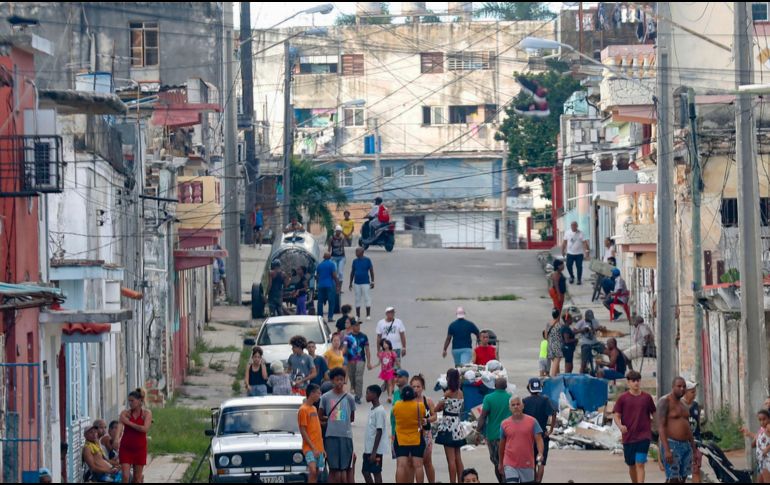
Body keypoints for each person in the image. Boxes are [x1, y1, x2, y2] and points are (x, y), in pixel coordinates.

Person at [613, 370, 657, 484]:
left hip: (644, 436)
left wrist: (656, 426)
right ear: (628, 383)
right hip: (628, 437)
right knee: (631, 465)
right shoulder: (622, 398)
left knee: (640, 463)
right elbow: (616, 415)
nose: (636, 383)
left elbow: (654, 413)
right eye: (633, 381)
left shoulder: (647, 398)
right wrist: (620, 426)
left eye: (638, 380)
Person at [319, 367, 356, 483]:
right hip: (331, 437)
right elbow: (320, 416)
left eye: (341, 379)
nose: (339, 382)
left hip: (346, 437)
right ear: (332, 381)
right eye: (336, 380)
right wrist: (330, 420)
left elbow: (352, 418)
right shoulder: (325, 397)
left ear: (344, 380)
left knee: (344, 468)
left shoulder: (349, 398)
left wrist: (338, 420)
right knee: (333, 469)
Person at [498, 395, 545, 484]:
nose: (516, 407)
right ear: (510, 408)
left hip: (527, 463)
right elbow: (502, 445)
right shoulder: (504, 424)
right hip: (509, 463)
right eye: (513, 405)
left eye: (518, 404)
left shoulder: (532, 421)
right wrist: (500, 463)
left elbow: (539, 439)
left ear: (522, 406)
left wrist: (540, 453)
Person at [658, 377, 696, 484]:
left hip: (686, 446)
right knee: (673, 478)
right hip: (672, 444)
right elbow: (661, 426)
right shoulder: (665, 401)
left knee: (683, 477)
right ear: (673, 387)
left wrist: (693, 448)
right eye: (679, 386)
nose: (682, 389)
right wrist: (666, 450)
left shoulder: (684, 404)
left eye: (684, 386)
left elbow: (688, 428)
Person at [476, 377, 512, 483]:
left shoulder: (488, 398)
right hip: (508, 436)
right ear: (506, 386)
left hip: (493, 436)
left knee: (497, 463)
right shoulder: (511, 398)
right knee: (507, 463)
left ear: (494, 386)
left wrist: (477, 432)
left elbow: (483, 416)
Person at [523, 378, 557, 483]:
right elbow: (554, 413)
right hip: (542, 435)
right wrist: (550, 429)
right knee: (541, 462)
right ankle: (539, 481)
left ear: (529, 388)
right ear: (540, 388)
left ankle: (533, 480)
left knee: (532, 461)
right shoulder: (545, 400)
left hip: (529, 436)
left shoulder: (524, 401)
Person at [435, 368, 465, 483]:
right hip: (457, 425)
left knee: (450, 459)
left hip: (448, 426)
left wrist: (443, 404)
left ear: (448, 378)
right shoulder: (461, 393)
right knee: (458, 457)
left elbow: (437, 408)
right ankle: (461, 480)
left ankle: (452, 481)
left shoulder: (447, 393)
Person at [392, 385, 426, 483]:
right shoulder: (419, 406)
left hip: (400, 439)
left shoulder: (397, 405)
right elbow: (423, 416)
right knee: (418, 466)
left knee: (401, 466)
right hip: (416, 438)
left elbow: (394, 414)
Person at [119, 388, 152, 484]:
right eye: (129, 401)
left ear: (140, 401)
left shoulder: (147, 413)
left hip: (140, 449)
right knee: (125, 476)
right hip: (126, 448)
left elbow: (144, 429)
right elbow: (120, 425)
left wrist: (128, 423)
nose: (130, 403)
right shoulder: (125, 413)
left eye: (132, 401)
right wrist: (117, 438)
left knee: (137, 479)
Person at [411, 375, 437, 484]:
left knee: (427, 462)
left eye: (418, 386)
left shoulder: (428, 401)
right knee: (415, 464)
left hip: (426, 434)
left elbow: (434, 416)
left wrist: (427, 420)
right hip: (412, 435)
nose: (416, 389)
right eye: (413, 387)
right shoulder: (408, 401)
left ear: (423, 387)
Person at [299, 383, 325, 483]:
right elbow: (303, 430)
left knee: (318, 471)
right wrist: (313, 447)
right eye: (318, 393)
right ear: (312, 393)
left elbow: (317, 429)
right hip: (309, 447)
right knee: (313, 470)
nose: (320, 395)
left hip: (319, 447)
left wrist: (322, 448)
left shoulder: (314, 408)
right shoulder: (303, 410)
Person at [363, 385, 388, 484]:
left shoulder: (380, 411)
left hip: (375, 450)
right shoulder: (373, 409)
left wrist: (374, 452)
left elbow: (379, 431)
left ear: (374, 395)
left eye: (367, 393)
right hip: (368, 449)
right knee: (365, 471)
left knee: (376, 472)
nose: (366, 395)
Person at [343, 319, 371, 405]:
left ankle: (358, 396)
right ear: (352, 326)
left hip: (360, 359)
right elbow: (345, 349)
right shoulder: (347, 337)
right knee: (352, 376)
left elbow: (367, 349)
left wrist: (369, 362)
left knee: (358, 376)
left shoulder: (364, 336)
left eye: (359, 325)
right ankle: (354, 389)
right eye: (356, 325)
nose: (358, 327)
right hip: (351, 360)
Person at [741, 409, 770, 483]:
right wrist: (748, 433)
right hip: (761, 461)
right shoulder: (761, 429)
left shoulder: (768, 427)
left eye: (764, 419)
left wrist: (767, 448)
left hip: (767, 461)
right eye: (760, 420)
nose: (762, 422)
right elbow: (757, 439)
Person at [683, 381, 704, 483]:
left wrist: (700, 437)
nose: (694, 394)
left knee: (696, 469)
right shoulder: (679, 405)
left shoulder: (696, 406)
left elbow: (698, 422)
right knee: (683, 470)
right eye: (692, 392)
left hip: (696, 441)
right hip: (683, 442)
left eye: (695, 392)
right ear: (685, 392)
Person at [575, 310, 606, 374]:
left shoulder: (595, 321)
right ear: (585, 317)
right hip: (586, 344)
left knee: (604, 349)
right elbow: (574, 331)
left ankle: (601, 367)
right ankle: (582, 373)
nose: (590, 320)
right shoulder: (581, 322)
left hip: (595, 342)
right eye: (589, 318)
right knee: (584, 362)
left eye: (591, 318)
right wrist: (582, 330)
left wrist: (600, 328)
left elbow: (599, 328)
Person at [349, 247, 375, 321]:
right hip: (357, 282)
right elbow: (352, 272)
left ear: (361, 252)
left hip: (366, 282)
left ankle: (368, 315)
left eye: (357, 252)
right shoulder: (355, 261)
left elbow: (371, 271)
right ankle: (357, 315)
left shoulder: (367, 260)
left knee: (367, 298)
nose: (356, 253)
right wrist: (350, 283)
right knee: (357, 299)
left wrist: (372, 281)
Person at [372, 339, 398, 403]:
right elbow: (379, 363)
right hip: (384, 371)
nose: (384, 345)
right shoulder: (382, 354)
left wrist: (398, 368)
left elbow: (396, 361)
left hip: (390, 370)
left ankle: (389, 397)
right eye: (383, 344)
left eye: (386, 343)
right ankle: (389, 395)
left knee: (389, 383)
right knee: (387, 384)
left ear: (389, 345)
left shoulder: (392, 353)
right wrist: (373, 367)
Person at [316, 252, 339, 321]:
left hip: (321, 285)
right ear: (330, 257)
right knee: (331, 301)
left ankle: (320, 317)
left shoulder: (319, 265)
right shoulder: (332, 264)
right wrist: (337, 284)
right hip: (329, 284)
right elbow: (334, 275)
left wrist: (318, 284)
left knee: (320, 302)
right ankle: (330, 317)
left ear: (323, 257)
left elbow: (317, 276)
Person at [545, 309, 563, 377]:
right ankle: (553, 379)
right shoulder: (559, 325)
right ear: (558, 316)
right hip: (557, 346)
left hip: (550, 346)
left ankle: (557, 378)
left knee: (556, 365)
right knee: (556, 364)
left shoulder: (548, 324)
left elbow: (546, 336)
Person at [560, 309, 577, 374]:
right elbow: (567, 340)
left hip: (568, 348)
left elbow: (572, 333)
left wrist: (581, 330)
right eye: (571, 319)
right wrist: (575, 340)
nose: (572, 320)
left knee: (569, 364)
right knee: (568, 364)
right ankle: (567, 376)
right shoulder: (566, 328)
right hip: (567, 348)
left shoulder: (566, 327)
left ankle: (567, 375)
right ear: (567, 320)